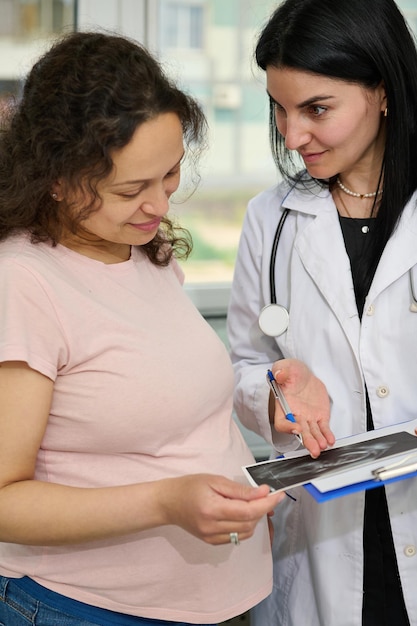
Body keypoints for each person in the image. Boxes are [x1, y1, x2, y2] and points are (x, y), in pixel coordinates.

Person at [0, 31, 284, 626]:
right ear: (55, 177)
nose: (158, 206)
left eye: (171, 174)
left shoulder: (139, 250)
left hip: (217, 600)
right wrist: (165, 502)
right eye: (131, 189)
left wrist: (276, 384)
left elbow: (171, 405)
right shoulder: (23, 282)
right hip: (89, 608)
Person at [227, 0, 417, 624]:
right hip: (325, 540)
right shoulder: (271, 218)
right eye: (279, 109)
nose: (292, 134)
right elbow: (250, 362)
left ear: (384, 92)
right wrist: (278, 399)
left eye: (316, 109)